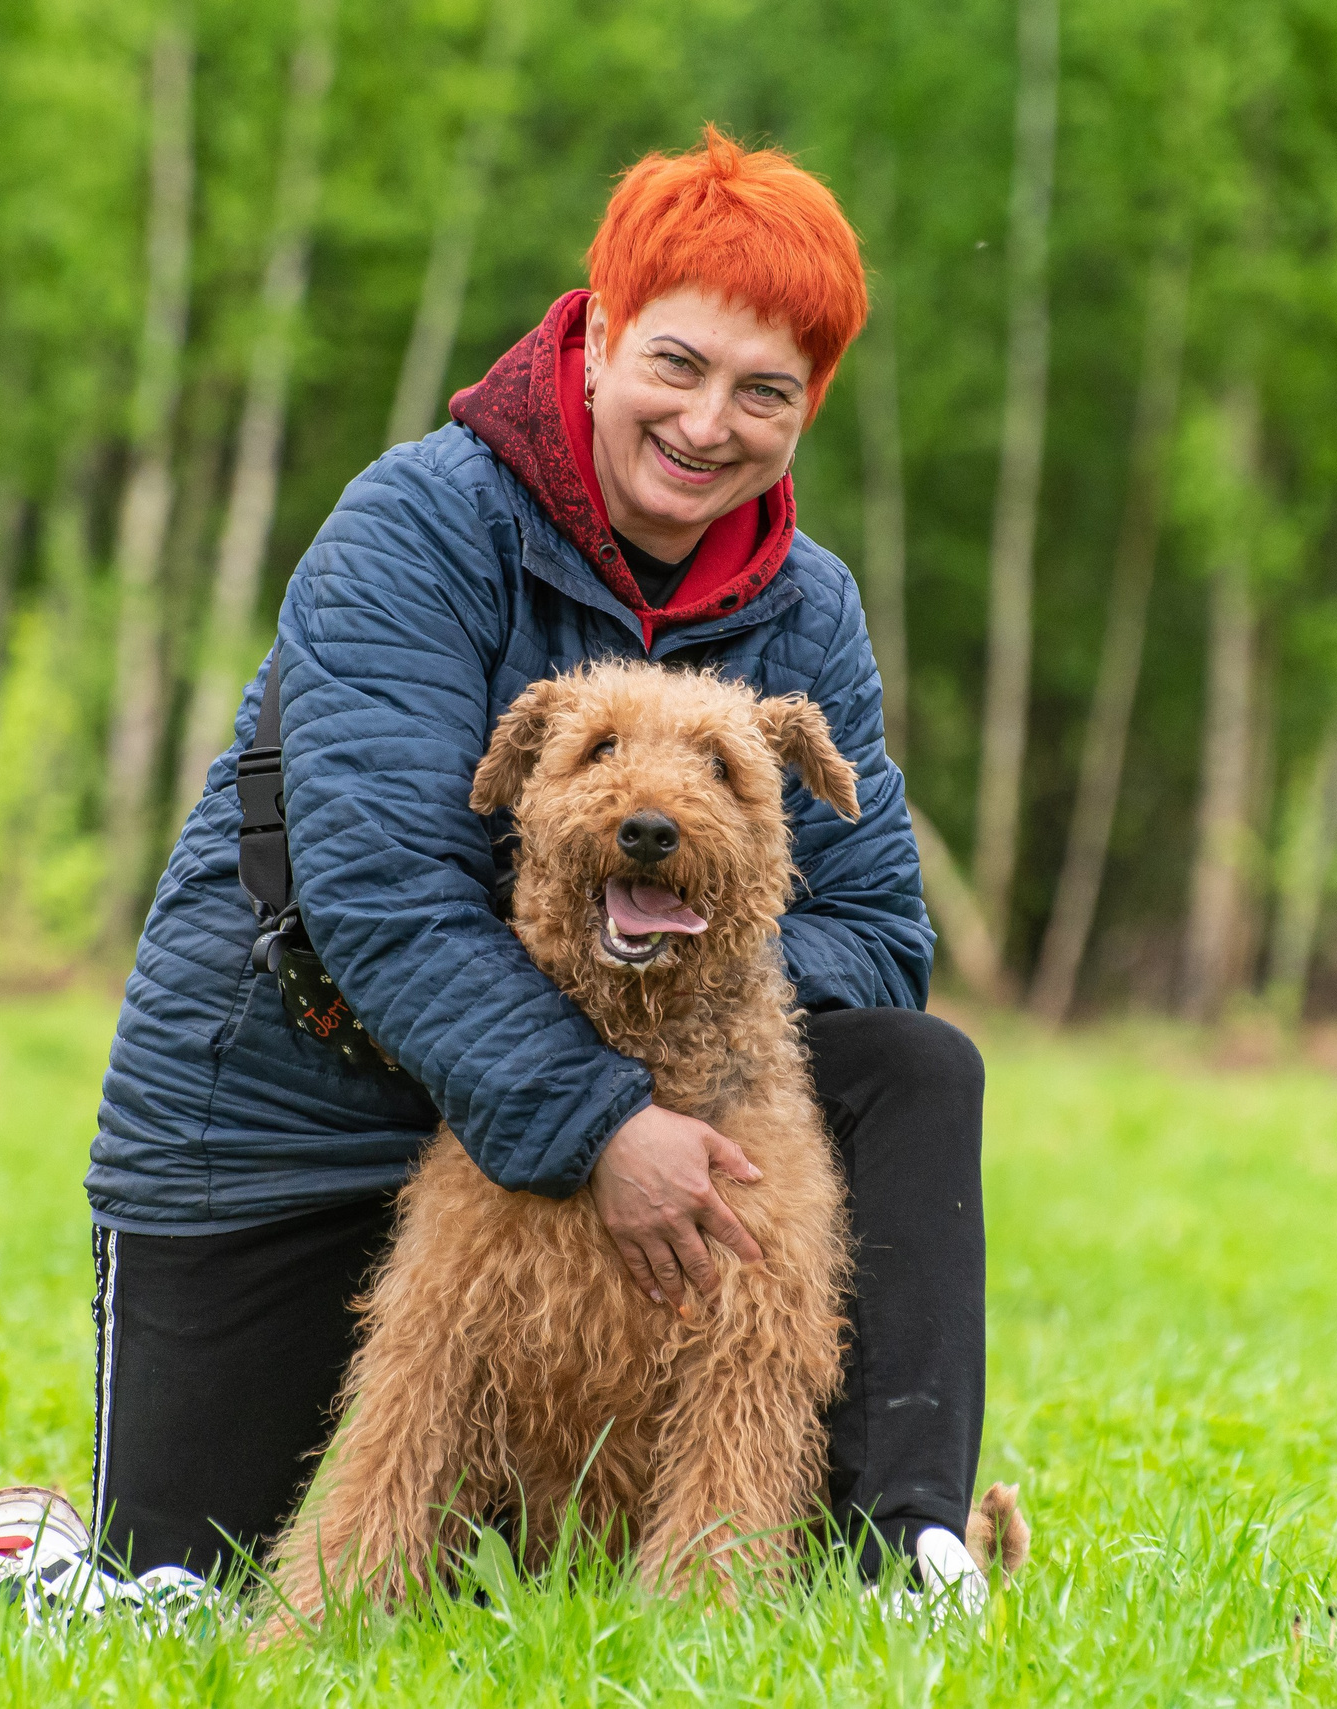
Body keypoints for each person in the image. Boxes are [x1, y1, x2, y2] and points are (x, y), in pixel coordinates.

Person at [79, 125, 987, 1603]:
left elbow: (877, 922)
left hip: (650, 1090)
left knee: (915, 1064)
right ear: (600, 332)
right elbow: (377, 893)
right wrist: (598, 1115)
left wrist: (677, 1013)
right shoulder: (414, 527)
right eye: (679, 365)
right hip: (299, 1117)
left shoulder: (810, 609)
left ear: (809, 406)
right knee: (182, 1582)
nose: (709, 424)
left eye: (767, 392)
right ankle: (38, 1547)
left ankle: (910, 1551)